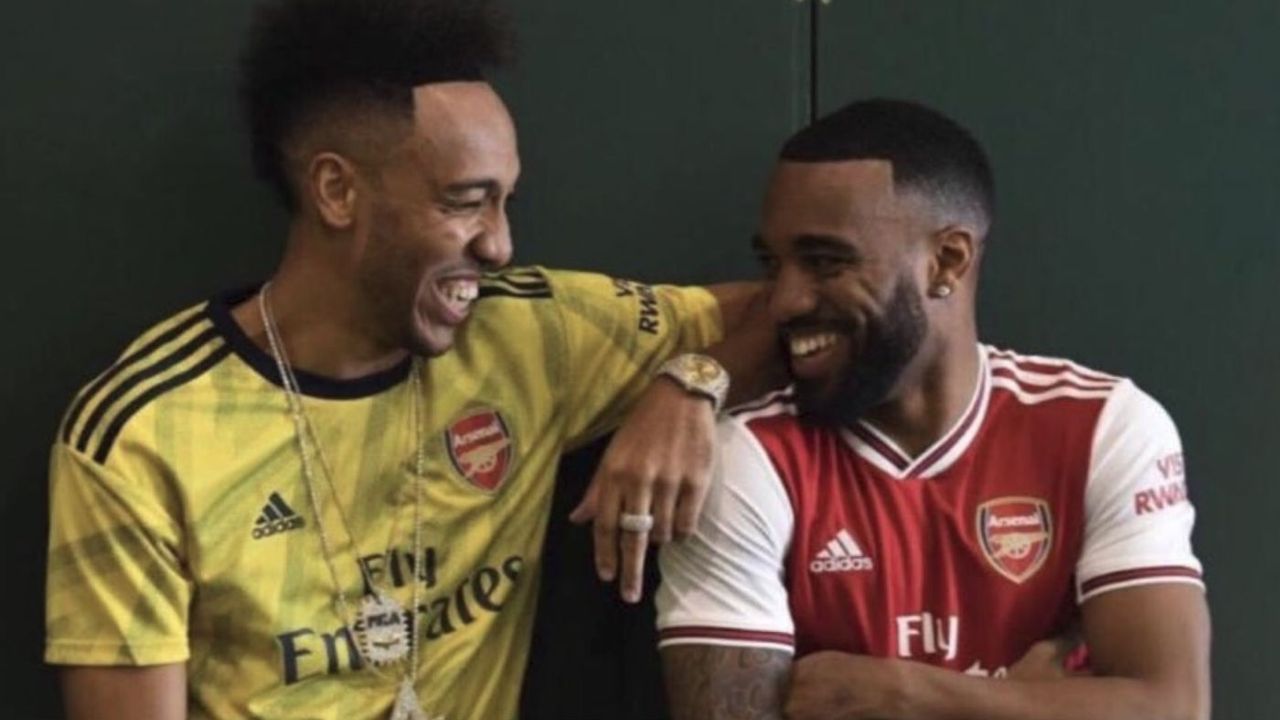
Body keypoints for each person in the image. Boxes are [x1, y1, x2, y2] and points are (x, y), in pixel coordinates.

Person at [44, 1, 775, 718]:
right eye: (466, 202)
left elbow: (788, 310)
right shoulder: (145, 434)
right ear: (337, 191)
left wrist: (692, 386)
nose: (500, 245)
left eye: (507, 201)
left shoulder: (532, 336)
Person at [656, 99, 1211, 720]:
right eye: (773, 264)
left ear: (947, 261)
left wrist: (907, 695)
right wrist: (1029, 702)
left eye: (825, 262)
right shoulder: (747, 456)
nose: (783, 300)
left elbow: (1172, 706)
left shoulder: (1103, 426)